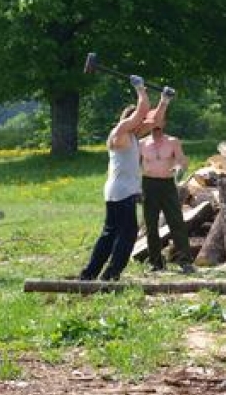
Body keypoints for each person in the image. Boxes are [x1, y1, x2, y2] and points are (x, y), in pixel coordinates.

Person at [79, 76, 164, 281]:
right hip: (121, 191)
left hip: (121, 191)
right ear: (129, 120)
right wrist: (140, 88)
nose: (141, 124)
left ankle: (90, 274)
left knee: (110, 235)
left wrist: (165, 100)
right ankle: (110, 274)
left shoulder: (132, 136)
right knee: (127, 234)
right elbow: (143, 110)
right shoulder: (120, 132)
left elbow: (154, 121)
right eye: (137, 121)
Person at [138, 116, 195, 274]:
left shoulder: (172, 141)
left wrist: (179, 168)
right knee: (151, 224)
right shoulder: (142, 143)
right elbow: (135, 165)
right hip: (149, 184)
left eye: (159, 122)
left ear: (164, 123)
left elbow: (182, 160)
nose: (156, 125)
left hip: (167, 184)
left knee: (176, 222)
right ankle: (155, 262)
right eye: (153, 122)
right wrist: (136, 187)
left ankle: (185, 261)